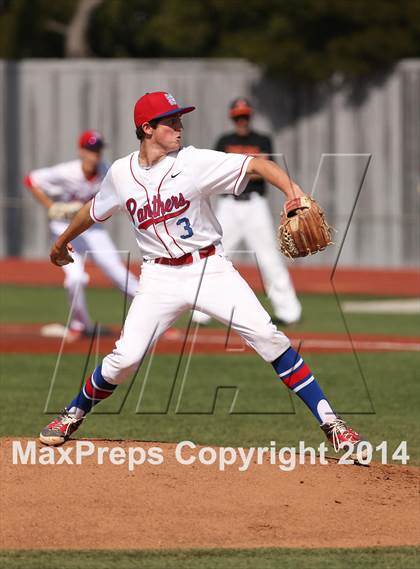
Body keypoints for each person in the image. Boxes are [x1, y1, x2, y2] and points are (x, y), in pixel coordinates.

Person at [39, 91, 367, 459]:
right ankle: (72, 414)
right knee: (124, 359)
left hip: (209, 269)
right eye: (171, 121)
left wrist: (293, 191)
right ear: (147, 129)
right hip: (158, 278)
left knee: (267, 336)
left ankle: (333, 425)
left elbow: (256, 165)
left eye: (180, 120)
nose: (180, 127)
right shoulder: (120, 173)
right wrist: (62, 242)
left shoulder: (194, 162)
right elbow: (93, 210)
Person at [192, 97, 301, 327]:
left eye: (245, 116)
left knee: (268, 257)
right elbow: (217, 172)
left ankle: (289, 311)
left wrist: (239, 169)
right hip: (228, 205)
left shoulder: (262, 139)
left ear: (250, 117)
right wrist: (251, 166)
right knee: (213, 255)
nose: (242, 121)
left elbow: (264, 170)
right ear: (232, 118)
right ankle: (201, 312)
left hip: (254, 204)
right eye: (238, 117)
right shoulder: (224, 140)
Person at [24, 130, 138, 339]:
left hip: (92, 229)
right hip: (65, 230)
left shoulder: (106, 170)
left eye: (98, 149)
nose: (95, 153)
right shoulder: (67, 172)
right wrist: (51, 206)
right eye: (91, 148)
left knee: (120, 274)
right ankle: (80, 324)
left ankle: (150, 320)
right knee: (75, 278)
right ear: (81, 151)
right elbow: (31, 180)